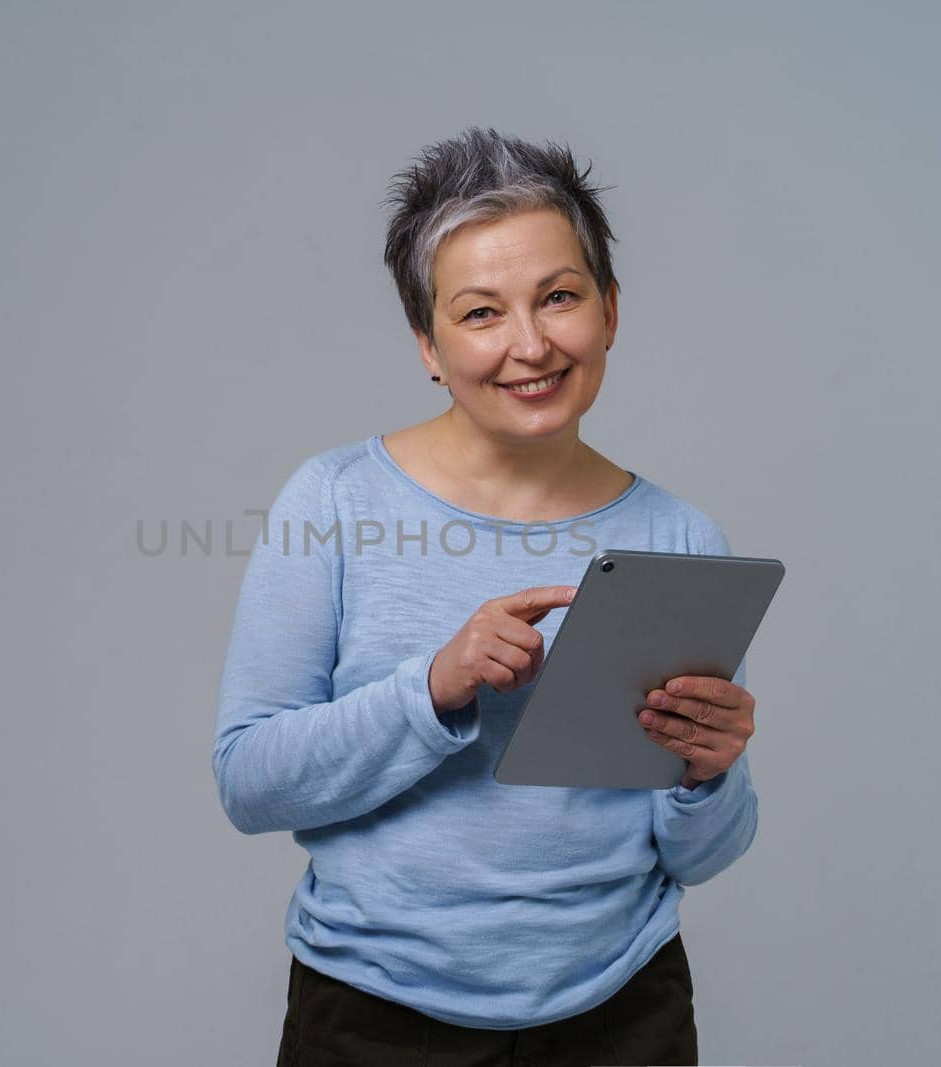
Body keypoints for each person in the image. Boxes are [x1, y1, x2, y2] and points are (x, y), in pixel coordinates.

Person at [211, 127, 760, 1066]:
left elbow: (701, 857)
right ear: (428, 344)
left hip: (624, 1013)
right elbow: (249, 783)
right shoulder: (336, 501)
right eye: (480, 313)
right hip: (374, 1013)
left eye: (558, 297)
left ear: (610, 310)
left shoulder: (679, 538)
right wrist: (431, 686)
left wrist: (710, 775)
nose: (531, 344)